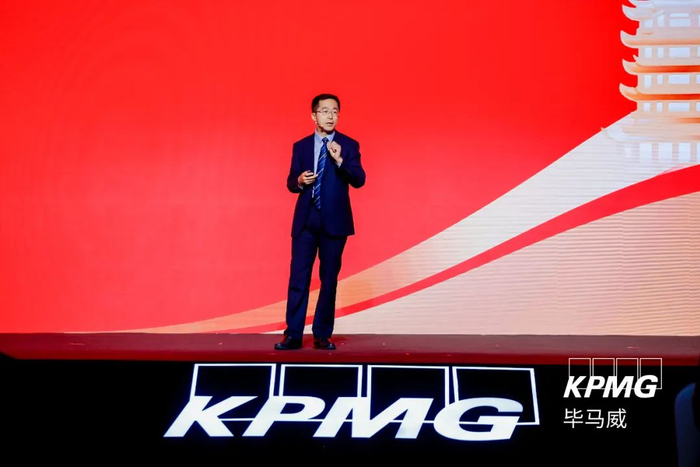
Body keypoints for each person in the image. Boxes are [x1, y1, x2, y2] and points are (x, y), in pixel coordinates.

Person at [274, 93, 366, 350]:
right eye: (325, 111)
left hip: (334, 222)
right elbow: (291, 182)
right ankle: (293, 334)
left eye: (335, 111)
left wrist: (340, 161)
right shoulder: (301, 146)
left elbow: (359, 180)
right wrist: (299, 181)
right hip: (306, 220)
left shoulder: (348, 145)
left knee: (329, 280)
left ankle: (322, 334)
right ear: (314, 116)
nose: (330, 116)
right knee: (298, 278)